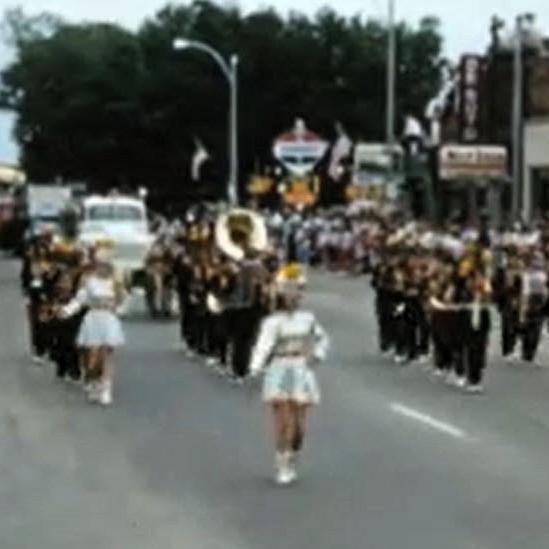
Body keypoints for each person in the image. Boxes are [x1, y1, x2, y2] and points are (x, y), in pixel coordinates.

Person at [249, 263, 329, 486]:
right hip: (279, 367)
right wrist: (255, 368)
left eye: (297, 293)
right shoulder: (273, 322)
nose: (294, 297)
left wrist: (317, 354)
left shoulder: (308, 319)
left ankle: (292, 455)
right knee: (283, 418)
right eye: (289, 293)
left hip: (301, 368)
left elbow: (322, 339)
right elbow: (263, 346)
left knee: (300, 427)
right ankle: (282, 462)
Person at [62, 240, 126, 406]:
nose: (103, 267)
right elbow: (80, 299)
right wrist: (67, 311)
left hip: (108, 319)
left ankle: (106, 388)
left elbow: (122, 300)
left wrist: (117, 307)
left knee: (107, 355)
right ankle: (92, 380)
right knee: (93, 357)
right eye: (100, 264)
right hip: (93, 319)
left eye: (106, 264)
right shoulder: (88, 280)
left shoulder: (115, 281)